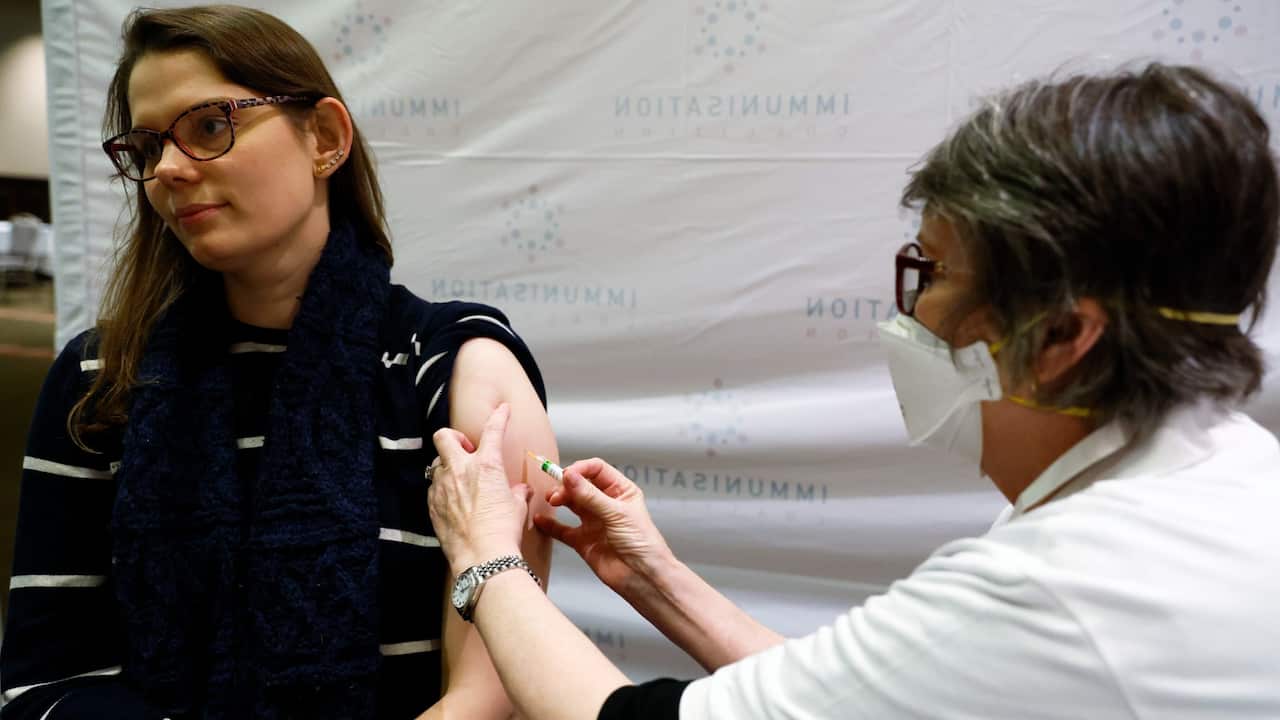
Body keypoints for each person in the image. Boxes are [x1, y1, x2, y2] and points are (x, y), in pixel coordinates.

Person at [425, 63, 1280, 719]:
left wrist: (486, 559)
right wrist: (656, 579)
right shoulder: (1213, 472)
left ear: (1061, 335)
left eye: (931, 272)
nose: (913, 309)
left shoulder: (1072, 584)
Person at [0, 6, 557, 719]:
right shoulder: (98, 380)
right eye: (146, 148)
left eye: (208, 125)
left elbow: (494, 693)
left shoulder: (453, 367)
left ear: (324, 137)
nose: (167, 169)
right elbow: (44, 686)